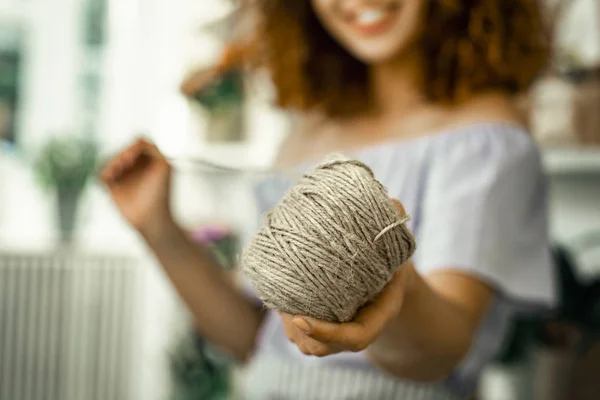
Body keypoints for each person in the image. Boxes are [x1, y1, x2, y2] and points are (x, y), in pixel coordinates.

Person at [101, 0, 556, 398]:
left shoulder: (485, 139)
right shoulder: (305, 136)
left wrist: (393, 285)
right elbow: (257, 342)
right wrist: (159, 229)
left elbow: (438, 355)